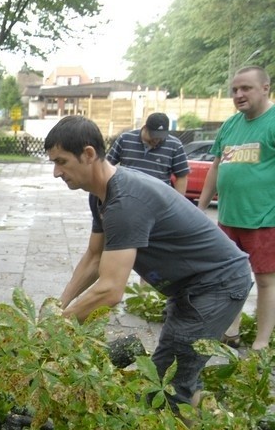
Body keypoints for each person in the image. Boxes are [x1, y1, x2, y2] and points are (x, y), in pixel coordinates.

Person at [44, 115, 251, 410]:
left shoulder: (125, 203)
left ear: (88, 154)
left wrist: (59, 325)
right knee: (177, 376)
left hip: (216, 286)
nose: (55, 172)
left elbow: (111, 291)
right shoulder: (100, 196)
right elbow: (93, 257)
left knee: (167, 386)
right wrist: (59, 305)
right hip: (192, 287)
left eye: (61, 162)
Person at [198, 65, 275, 351]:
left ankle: (261, 343)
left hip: (264, 219)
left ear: (265, 88)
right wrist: (201, 207)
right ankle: (231, 329)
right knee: (230, 279)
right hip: (228, 217)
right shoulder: (231, 125)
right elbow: (216, 167)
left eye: (246, 88)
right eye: (235, 90)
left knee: (266, 281)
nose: (239, 95)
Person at [107, 112, 190, 195]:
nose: (156, 140)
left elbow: (181, 176)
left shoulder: (175, 145)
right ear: (145, 128)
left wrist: (176, 204)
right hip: (126, 198)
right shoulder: (125, 139)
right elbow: (107, 166)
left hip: (158, 201)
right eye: (153, 136)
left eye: (160, 137)